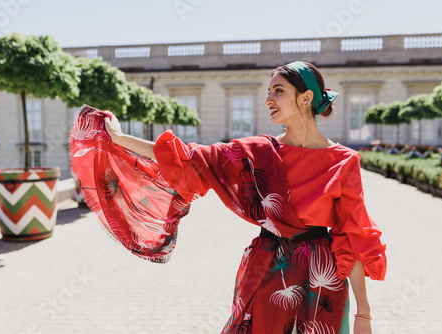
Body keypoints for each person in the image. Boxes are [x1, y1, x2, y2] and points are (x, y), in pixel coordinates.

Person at [69, 61, 386, 334]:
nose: (268, 99)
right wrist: (121, 139)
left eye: (278, 91)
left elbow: (353, 237)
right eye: (268, 92)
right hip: (269, 273)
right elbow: (189, 158)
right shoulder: (256, 153)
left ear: (305, 98)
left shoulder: (344, 161)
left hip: (323, 282)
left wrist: (364, 313)